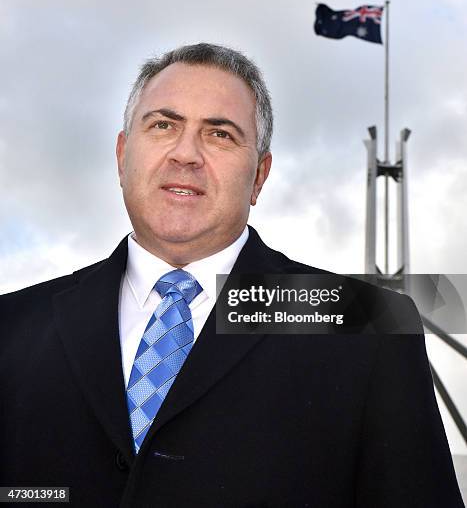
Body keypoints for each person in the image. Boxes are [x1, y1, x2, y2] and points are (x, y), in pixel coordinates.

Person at [0, 43, 463, 507]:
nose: (186, 154)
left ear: (260, 175)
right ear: (123, 155)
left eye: (220, 135)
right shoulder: (12, 326)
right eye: (163, 125)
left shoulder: (366, 325)